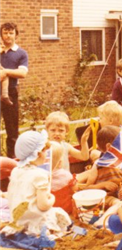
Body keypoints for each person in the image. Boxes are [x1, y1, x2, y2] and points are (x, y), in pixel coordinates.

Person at [2, 131, 71, 238]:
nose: (46, 154)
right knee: (59, 214)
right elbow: (43, 206)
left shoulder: (16, 171)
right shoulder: (40, 175)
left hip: (17, 220)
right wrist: (51, 198)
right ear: (38, 153)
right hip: (34, 222)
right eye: (45, 151)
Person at [0, 22, 29, 159]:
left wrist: (5, 72)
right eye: (5, 33)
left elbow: (22, 73)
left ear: (16, 35)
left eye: (11, 33)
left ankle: (12, 159)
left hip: (10, 92)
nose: (8, 35)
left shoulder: (21, 53)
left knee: (12, 129)